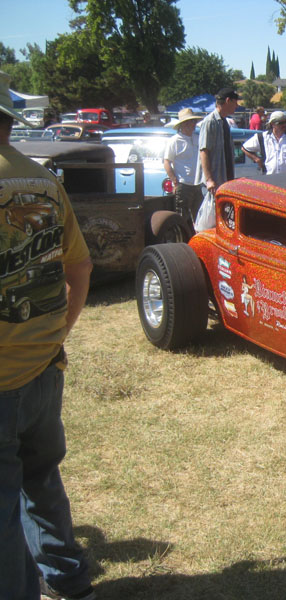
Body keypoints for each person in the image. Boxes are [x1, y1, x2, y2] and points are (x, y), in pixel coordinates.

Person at [0, 70, 95, 600]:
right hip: (44, 365)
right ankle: (68, 580)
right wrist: (58, 332)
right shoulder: (42, 180)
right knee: (41, 482)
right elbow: (78, 269)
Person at [194, 87, 239, 231]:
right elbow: (204, 152)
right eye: (235, 102)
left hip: (224, 179)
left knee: (223, 218)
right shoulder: (210, 122)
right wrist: (209, 179)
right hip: (214, 182)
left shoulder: (224, 122)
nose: (236, 106)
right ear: (228, 101)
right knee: (210, 220)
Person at [163, 107, 204, 224]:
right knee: (182, 217)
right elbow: (166, 162)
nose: (192, 124)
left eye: (193, 122)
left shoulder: (198, 138)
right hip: (183, 184)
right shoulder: (174, 141)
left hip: (198, 184)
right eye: (189, 122)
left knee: (199, 216)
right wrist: (175, 182)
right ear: (183, 125)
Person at [241, 110, 286, 174]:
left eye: (285, 122)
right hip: (270, 179)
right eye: (280, 123)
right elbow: (244, 148)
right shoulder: (262, 137)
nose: (284, 125)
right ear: (272, 124)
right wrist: (256, 159)